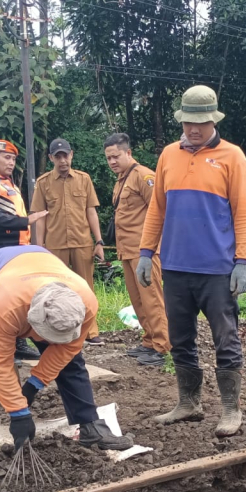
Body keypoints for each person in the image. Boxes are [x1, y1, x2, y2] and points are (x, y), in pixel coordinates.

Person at [0, 245, 133, 484]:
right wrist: (18, 413)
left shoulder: (86, 303)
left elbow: (67, 349)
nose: (50, 342)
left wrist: (34, 384)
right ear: (34, 321)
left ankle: (91, 427)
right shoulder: (7, 307)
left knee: (72, 363)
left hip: (38, 269)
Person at [137, 85, 246, 437]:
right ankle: (189, 402)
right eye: (188, 122)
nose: (193, 129)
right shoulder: (168, 155)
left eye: (200, 123)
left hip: (217, 268)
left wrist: (242, 260)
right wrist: (146, 252)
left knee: (225, 337)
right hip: (175, 266)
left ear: (213, 120)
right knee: (180, 336)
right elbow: (157, 206)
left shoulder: (233, 157)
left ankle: (231, 409)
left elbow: (242, 211)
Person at [0, 137, 48, 362]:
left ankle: (19, 343)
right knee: (0, 299)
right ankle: (1, 347)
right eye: (6, 157)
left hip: (18, 249)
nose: (11, 162)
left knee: (19, 297)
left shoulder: (10, 184)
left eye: (13, 158)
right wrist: (28, 220)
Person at [103, 132, 170, 367]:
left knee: (152, 299)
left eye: (116, 156)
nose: (112, 162)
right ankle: (150, 340)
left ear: (128, 153)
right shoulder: (121, 179)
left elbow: (161, 209)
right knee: (138, 300)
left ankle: (162, 346)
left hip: (145, 251)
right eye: (108, 158)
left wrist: (153, 248)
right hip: (126, 250)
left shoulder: (144, 176)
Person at [30, 138, 106, 345]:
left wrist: (98, 241)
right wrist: (39, 247)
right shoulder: (43, 182)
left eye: (65, 155)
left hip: (82, 242)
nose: (62, 160)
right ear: (51, 158)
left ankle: (90, 332)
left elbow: (91, 211)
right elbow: (41, 217)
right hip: (55, 246)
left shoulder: (84, 179)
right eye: (58, 156)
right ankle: (58, 331)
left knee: (86, 287)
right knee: (56, 289)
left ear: (71, 155)